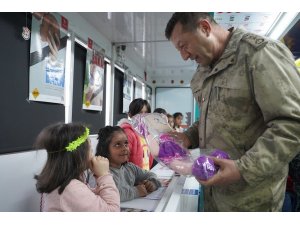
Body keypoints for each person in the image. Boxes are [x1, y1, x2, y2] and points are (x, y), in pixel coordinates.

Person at [165, 12, 300, 211]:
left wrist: (242, 169)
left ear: (204, 27)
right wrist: (187, 137)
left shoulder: (259, 54)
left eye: (183, 46)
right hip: (214, 197)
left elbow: (292, 124)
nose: (184, 56)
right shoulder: (202, 72)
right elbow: (211, 117)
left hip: (252, 199)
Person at [34, 122, 120, 212]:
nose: (92, 153)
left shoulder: (62, 182)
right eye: (90, 149)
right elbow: (113, 211)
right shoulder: (70, 188)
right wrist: (104, 175)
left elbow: (89, 200)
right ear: (79, 154)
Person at [96, 126, 161, 202]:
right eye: (117, 144)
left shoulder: (130, 168)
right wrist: (136, 191)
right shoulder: (101, 172)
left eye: (126, 143)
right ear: (105, 149)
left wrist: (152, 183)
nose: (125, 148)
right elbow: (110, 195)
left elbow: (151, 175)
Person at [118, 98, 154, 170]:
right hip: (133, 178)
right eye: (139, 113)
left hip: (144, 176)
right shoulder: (128, 133)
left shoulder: (146, 132)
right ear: (130, 115)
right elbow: (123, 161)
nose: (143, 116)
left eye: (146, 113)